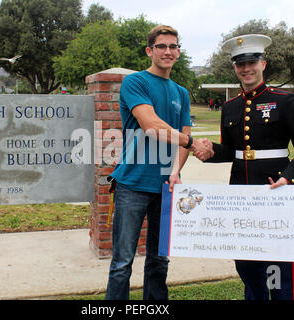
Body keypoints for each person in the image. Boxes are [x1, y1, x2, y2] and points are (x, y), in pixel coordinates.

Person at [195, 34, 294, 300]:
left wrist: (288, 179)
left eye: (252, 62)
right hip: (240, 196)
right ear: (234, 68)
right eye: (240, 64)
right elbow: (231, 151)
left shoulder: (285, 101)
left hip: (276, 194)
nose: (246, 68)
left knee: (279, 267)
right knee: (246, 263)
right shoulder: (230, 107)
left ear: (264, 63)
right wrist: (208, 151)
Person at [105, 25, 212, 300]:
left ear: (178, 52)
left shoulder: (182, 93)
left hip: (166, 188)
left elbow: (184, 136)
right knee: (122, 263)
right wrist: (191, 143)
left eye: (173, 46)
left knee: (159, 260)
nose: (168, 51)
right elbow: (151, 125)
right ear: (150, 51)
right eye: (161, 46)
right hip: (132, 184)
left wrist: (176, 172)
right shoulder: (136, 83)